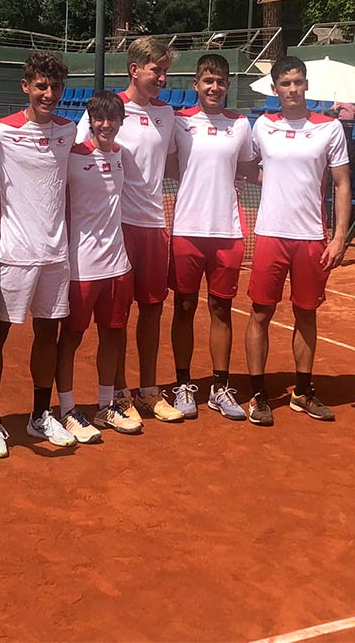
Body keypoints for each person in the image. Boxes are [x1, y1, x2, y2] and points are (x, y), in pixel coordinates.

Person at [75, 37, 184, 424]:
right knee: (116, 318)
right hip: (116, 228)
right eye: (156, 70)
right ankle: (119, 393)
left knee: (152, 310)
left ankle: (149, 390)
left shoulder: (168, 114)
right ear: (134, 69)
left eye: (165, 71)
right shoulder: (107, 113)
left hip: (154, 226)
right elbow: (78, 160)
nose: (162, 78)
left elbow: (175, 164)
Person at [0, 53, 79, 450]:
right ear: (26, 87)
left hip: (56, 254)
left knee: (47, 335)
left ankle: (40, 415)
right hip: (12, 252)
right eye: (41, 86)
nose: (49, 94)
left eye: (55, 87)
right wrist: (2, 191)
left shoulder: (68, 130)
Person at [245, 55, 352, 427]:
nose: (292, 89)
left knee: (306, 312)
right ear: (275, 88)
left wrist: (339, 236)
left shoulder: (330, 128)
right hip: (270, 234)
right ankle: (258, 395)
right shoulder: (263, 126)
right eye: (285, 84)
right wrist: (275, 182)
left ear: (306, 85)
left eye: (298, 82)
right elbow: (248, 166)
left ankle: (302, 392)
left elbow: (341, 183)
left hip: (311, 238)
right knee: (260, 313)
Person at [168, 54, 256, 421]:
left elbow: (248, 167)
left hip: (227, 232)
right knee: (184, 307)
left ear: (228, 85)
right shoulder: (179, 122)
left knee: (222, 309)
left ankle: (220, 387)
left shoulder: (241, 124)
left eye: (220, 81)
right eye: (208, 80)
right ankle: (183, 384)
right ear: (196, 85)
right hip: (187, 230)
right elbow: (170, 165)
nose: (214, 87)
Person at [55, 91, 143, 439]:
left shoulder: (122, 155)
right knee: (71, 338)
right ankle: (67, 409)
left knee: (112, 335)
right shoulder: (72, 156)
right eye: (99, 119)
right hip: (81, 267)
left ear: (121, 121)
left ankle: (107, 406)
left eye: (112, 119)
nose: (106, 125)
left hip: (117, 265)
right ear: (90, 121)